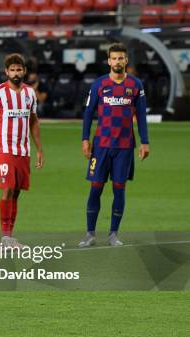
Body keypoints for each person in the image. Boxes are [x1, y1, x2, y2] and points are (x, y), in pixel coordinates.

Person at [78, 43, 149, 247]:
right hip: (101, 146)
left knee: (119, 189)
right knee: (95, 189)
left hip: (125, 147)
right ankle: (90, 233)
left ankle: (113, 234)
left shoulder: (136, 85)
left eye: (121, 58)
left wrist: (145, 142)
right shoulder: (99, 84)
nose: (117, 62)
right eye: (114, 58)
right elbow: (89, 113)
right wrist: (85, 139)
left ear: (126, 60)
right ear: (108, 61)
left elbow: (142, 115)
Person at [0, 54, 44, 247]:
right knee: (8, 189)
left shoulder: (30, 93)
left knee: (16, 191)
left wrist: (39, 149)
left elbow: (33, 121)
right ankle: (5, 237)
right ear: (6, 72)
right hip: (4, 148)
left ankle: (10, 236)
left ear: (24, 71)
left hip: (23, 150)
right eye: (12, 70)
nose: (16, 73)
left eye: (19, 69)